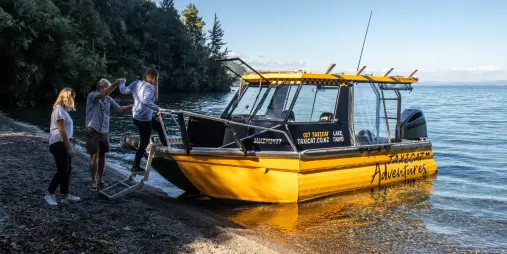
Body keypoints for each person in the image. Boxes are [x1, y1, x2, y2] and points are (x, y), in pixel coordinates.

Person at [85, 78, 132, 191]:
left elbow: (120, 109)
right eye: (108, 87)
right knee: (94, 156)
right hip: (93, 129)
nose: (110, 91)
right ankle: (93, 181)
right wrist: (116, 84)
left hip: (104, 130)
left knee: (102, 156)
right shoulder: (92, 95)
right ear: (101, 87)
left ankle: (100, 179)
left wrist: (133, 106)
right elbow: (102, 94)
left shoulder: (108, 99)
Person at [119, 68, 167, 172]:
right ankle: (135, 166)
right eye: (157, 78)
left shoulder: (136, 83)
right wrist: (158, 108)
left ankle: (167, 148)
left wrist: (122, 82)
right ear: (154, 77)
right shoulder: (150, 87)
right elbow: (146, 101)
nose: (156, 80)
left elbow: (123, 90)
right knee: (144, 143)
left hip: (136, 118)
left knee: (160, 127)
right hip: (144, 120)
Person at [45, 88, 80, 206]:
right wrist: (69, 147)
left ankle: (65, 195)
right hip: (59, 143)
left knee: (67, 170)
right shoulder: (58, 110)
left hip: (63, 142)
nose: (73, 100)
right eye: (72, 98)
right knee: (63, 170)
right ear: (67, 97)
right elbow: (61, 130)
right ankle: (49, 194)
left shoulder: (62, 110)